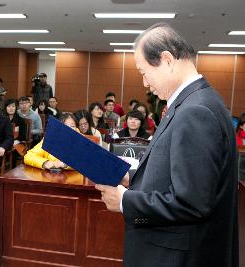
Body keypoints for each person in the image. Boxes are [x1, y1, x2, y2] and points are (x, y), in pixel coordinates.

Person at [95, 22, 238, 267]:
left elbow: (191, 202)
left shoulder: (196, 111)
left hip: (178, 256)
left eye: (143, 72)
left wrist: (124, 201)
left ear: (167, 59)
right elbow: (180, 172)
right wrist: (133, 178)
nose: (145, 83)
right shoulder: (193, 102)